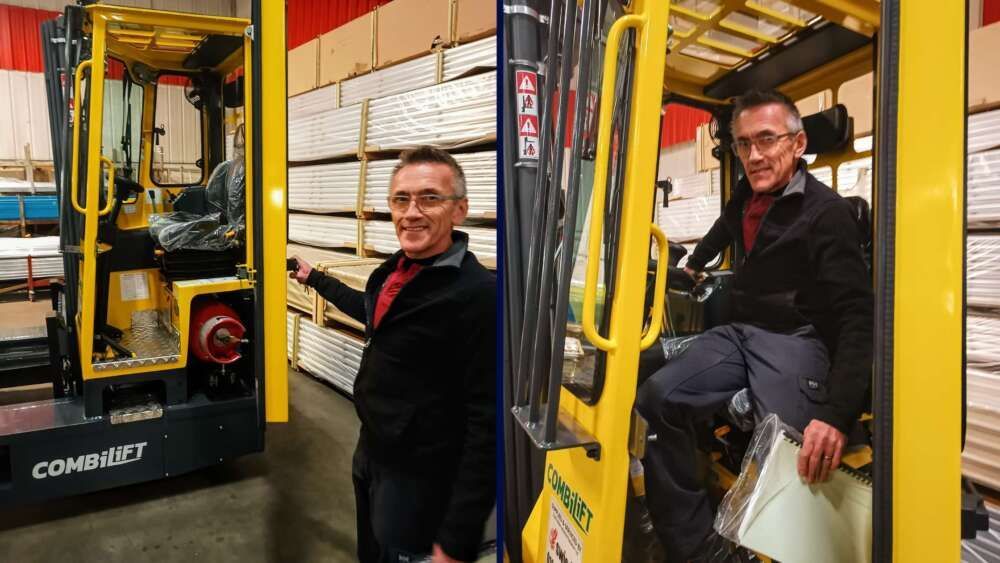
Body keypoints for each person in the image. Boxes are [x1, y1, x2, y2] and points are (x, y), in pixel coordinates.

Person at [635, 89, 873, 561]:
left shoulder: (827, 215)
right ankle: (699, 546)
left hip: (796, 340)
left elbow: (857, 316)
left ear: (798, 143)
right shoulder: (748, 194)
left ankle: (784, 544)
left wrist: (835, 413)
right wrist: (694, 264)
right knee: (655, 399)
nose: (754, 155)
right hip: (741, 334)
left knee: (787, 461)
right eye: (744, 144)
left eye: (766, 140)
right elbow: (726, 226)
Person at [291, 147, 496, 563]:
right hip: (371, 451)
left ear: (460, 210)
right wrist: (314, 279)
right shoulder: (395, 272)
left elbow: (486, 426)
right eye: (401, 200)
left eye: (429, 198)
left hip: (420, 476)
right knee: (373, 552)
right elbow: (370, 312)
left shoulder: (476, 296)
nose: (412, 212)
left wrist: (456, 540)